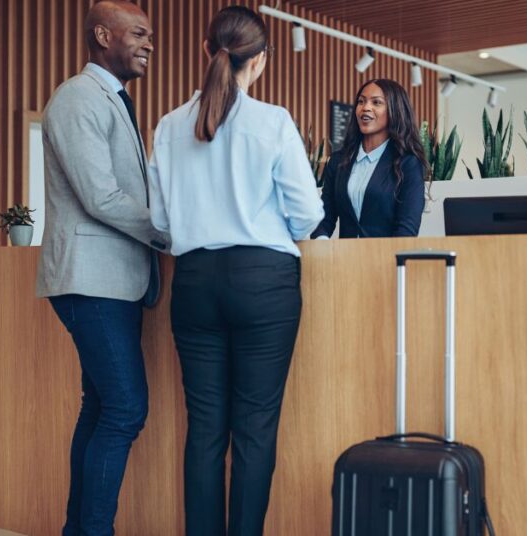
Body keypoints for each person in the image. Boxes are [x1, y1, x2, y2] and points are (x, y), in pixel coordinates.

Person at [146, 6, 323, 535]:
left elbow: (160, 222)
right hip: (263, 285)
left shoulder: (169, 125)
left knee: (204, 429)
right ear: (261, 61)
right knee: (254, 429)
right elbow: (308, 216)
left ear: (208, 52)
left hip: (195, 283)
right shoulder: (272, 122)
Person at [35, 1, 169, 535]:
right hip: (91, 280)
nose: (149, 43)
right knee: (125, 410)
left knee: (100, 409)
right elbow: (100, 196)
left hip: (115, 281)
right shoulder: (77, 97)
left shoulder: (115, 99)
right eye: (138, 33)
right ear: (101, 35)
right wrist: (170, 233)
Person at [311, 79, 428, 239]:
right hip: (343, 260)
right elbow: (324, 218)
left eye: (376, 102)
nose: (365, 108)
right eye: (361, 101)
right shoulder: (338, 161)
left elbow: (406, 228)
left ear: (395, 110)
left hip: (385, 259)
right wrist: (322, 243)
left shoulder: (408, 163)